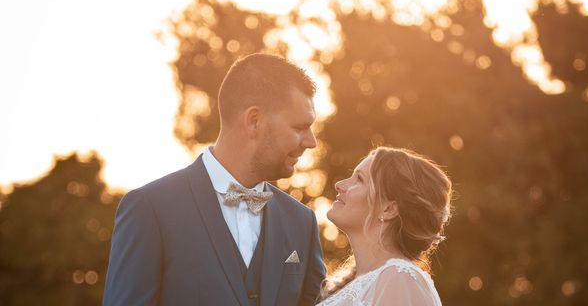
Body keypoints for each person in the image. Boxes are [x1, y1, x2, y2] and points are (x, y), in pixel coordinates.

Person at [103, 53, 326, 306]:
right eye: (299, 127)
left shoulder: (302, 223)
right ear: (254, 121)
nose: (311, 142)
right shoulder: (151, 209)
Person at [317, 146, 452, 305]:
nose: (339, 184)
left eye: (359, 179)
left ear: (388, 209)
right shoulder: (352, 283)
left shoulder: (400, 279)